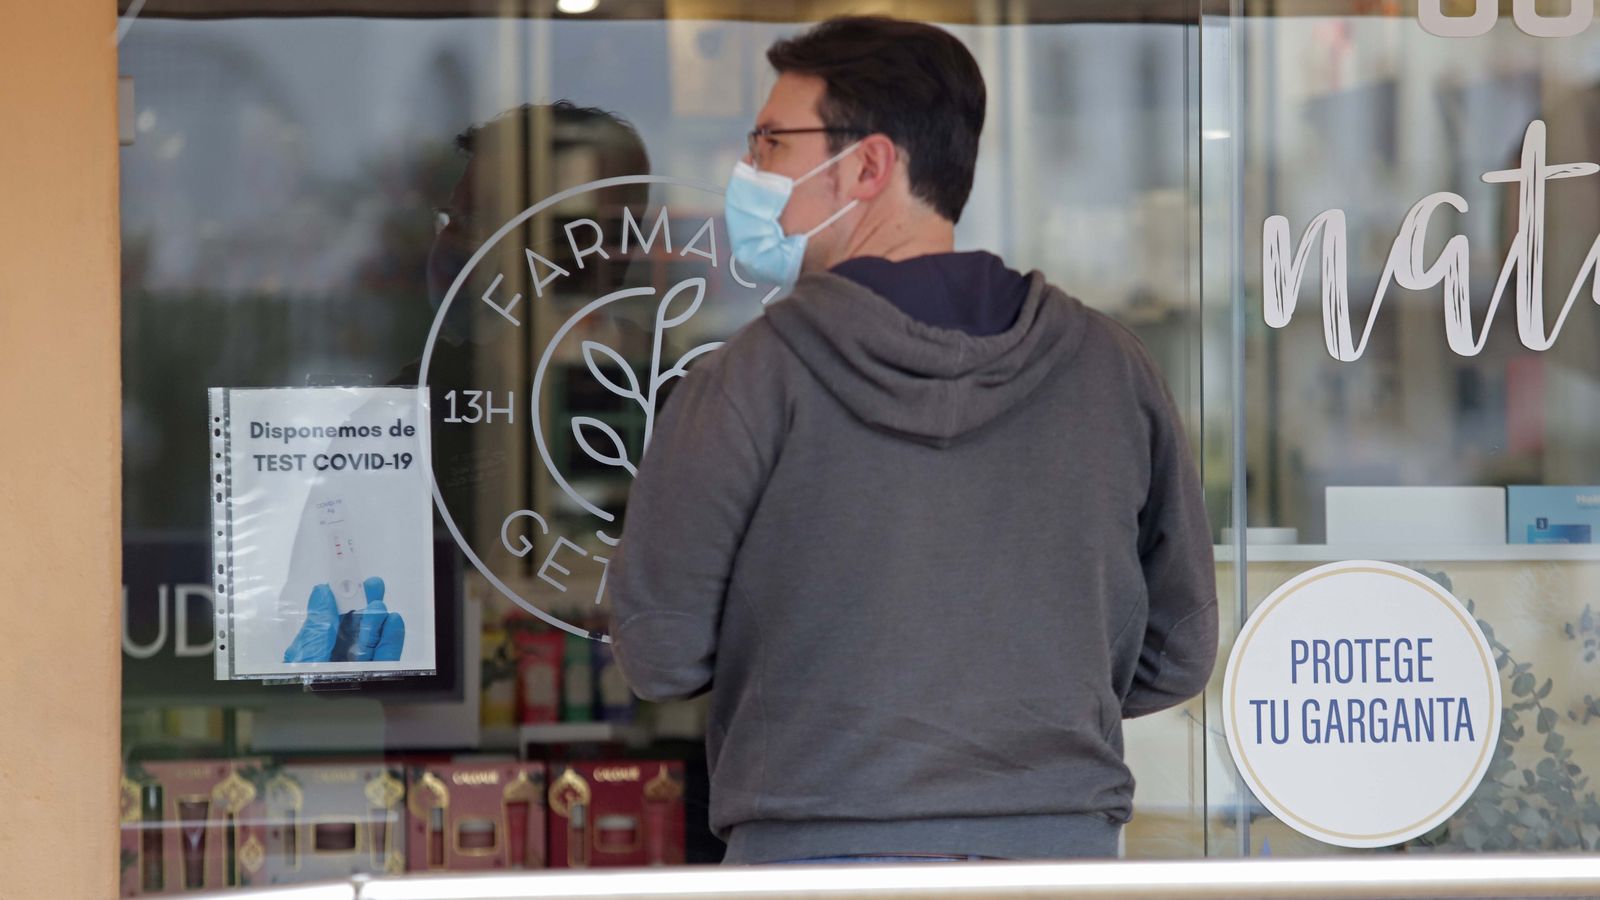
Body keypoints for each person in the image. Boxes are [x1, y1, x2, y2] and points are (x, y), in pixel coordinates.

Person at [607, 16, 1217, 865]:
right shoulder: (1111, 371)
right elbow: (1180, 649)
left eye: (771, 141)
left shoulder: (749, 381)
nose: (749, 172)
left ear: (867, 164)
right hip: (1059, 854)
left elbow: (661, 651)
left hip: (812, 858)